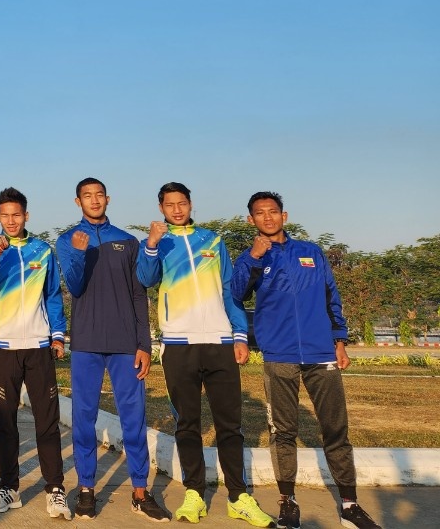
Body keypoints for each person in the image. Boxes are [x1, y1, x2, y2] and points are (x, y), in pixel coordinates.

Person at [231, 192, 382, 529]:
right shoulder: (249, 257)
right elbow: (237, 293)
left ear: (284, 216)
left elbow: (331, 294)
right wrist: (254, 257)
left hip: (321, 352)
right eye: (260, 213)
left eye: (273, 211)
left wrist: (339, 340)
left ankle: (349, 505)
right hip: (279, 355)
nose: (267, 217)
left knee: (335, 429)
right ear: (251, 220)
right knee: (283, 431)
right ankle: (288, 502)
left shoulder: (311, 252)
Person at [136, 183, 274, 527]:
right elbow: (146, 278)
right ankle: (194, 493)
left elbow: (229, 290)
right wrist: (151, 243)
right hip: (178, 344)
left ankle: (238, 497)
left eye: (182, 203)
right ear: (161, 208)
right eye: (170, 205)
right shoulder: (156, 242)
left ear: (190, 204)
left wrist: (239, 335)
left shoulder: (212, 240)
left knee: (230, 424)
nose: (177, 210)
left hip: (219, 342)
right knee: (187, 424)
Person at [55, 177, 169, 522]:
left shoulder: (127, 241)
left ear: (108, 199)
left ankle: (140, 491)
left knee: (134, 419)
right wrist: (78, 253)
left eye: (99, 195)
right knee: (83, 419)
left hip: (125, 345)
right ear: (78, 202)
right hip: (87, 343)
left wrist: (144, 344)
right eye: (87, 196)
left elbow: (138, 294)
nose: (94, 200)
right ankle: (86, 488)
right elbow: (75, 286)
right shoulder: (67, 240)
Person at [0, 187, 70, 519]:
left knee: (47, 421)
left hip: (39, 347)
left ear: (26, 215)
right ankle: (9, 487)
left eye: (17, 214)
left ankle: (55, 489)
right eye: (5, 215)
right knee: (5, 423)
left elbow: (52, 295)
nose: (11, 221)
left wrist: (58, 335)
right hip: (4, 348)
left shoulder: (42, 250)